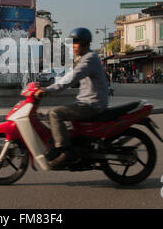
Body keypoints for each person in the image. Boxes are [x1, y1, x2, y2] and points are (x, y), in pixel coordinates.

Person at [34, 28, 109, 169]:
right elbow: (70, 76)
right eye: (72, 43)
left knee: (55, 113)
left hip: (92, 104)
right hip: (86, 101)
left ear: (86, 45)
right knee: (60, 115)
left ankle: (65, 151)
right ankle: (69, 145)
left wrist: (47, 89)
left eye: (76, 43)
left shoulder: (89, 59)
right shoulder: (84, 58)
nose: (73, 46)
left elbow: (71, 78)